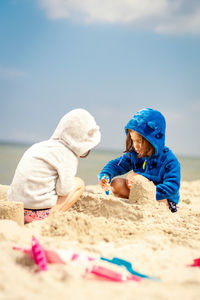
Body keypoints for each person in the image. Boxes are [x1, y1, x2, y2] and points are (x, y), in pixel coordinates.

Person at [7, 108, 101, 223]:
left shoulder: (39, 146)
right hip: (35, 214)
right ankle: (51, 216)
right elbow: (64, 190)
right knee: (79, 183)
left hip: (14, 209)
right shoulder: (67, 155)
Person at [98, 108, 180, 213]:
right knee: (116, 184)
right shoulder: (134, 154)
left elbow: (172, 185)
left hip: (161, 197)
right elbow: (116, 165)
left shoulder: (169, 160)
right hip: (138, 192)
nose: (135, 145)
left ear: (153, 140)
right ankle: (138, 199)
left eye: (139, 141)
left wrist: (147, 190)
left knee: (133, 177)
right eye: (133, 140)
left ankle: (151, 200)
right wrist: (105, 175)